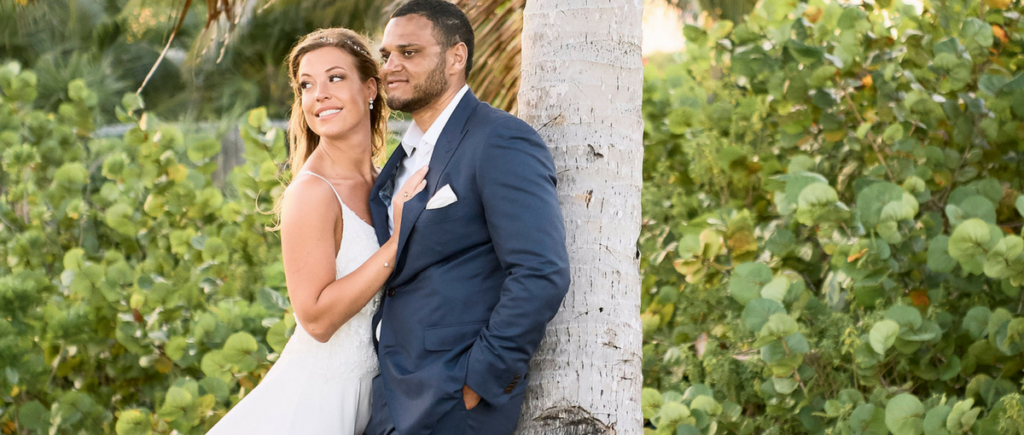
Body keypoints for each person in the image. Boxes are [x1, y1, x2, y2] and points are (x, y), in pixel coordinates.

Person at [205, 28, 428, 435]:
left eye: (335, 78)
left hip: (379, 400)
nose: (319, 94)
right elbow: (317, 319)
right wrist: (398, 243)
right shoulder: (312, 192)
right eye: (306, 85)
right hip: (316, 405)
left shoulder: (389, 183)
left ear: (370, 88)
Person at [365, 1, 571, 434]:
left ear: (456, 57)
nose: (391, 67)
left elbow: (540, 271)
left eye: (409, 52)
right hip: (392, 395)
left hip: (455, 400)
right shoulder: (404, 156)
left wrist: (480, 380)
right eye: (387, 55)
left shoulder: (500, 140)